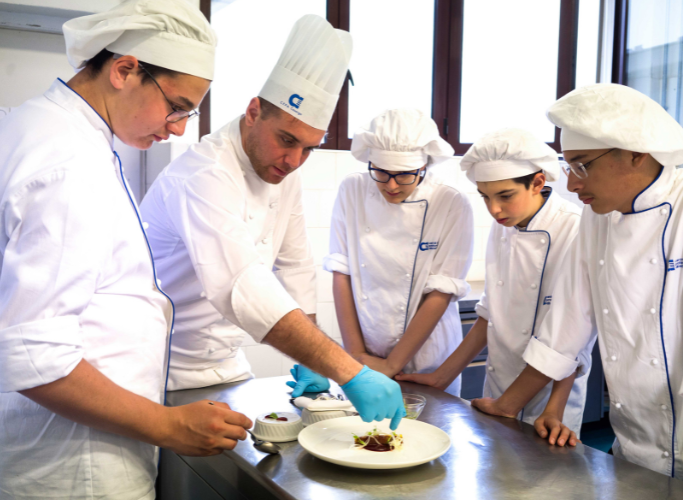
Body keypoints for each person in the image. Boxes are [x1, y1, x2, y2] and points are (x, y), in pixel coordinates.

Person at [0, 2, 255, 499]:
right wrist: (168, 426)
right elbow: (35, 358)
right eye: (177, 106)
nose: (179, 127)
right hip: (74, 470)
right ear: (124, 70)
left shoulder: (44, 129)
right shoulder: (70, 163)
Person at [139, 15, 405, 428]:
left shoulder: (282, 173)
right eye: (286, 140)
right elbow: (241, 282)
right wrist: (346, 369)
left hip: (226, 366)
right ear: (253, 111)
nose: (294, 161)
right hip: (160, 371)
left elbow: (295, 266)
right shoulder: (204, 174)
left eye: (308, 149)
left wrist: (310, 361)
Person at [473, 84, 683, 486]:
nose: (573, 185)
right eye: (569, 166)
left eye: (582, 166)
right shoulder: (598, 218)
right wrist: (506, 408)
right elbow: (567, 326)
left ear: (635, 152)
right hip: (632, 447)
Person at [398, 129, 595, 445]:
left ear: (538, 183)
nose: (494, 210)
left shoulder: (575, 229)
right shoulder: (504, 227)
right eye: (485, 197)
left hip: (551, 403)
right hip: (499, 387)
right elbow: (490, 315)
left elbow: (572, 336)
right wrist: (442, 376)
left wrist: (555, 408)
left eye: (505, 196)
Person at [319, 108, 473, 397]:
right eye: (381, 173)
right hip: (365, 346)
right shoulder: (353, 189)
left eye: (404, 176)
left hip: (426, 355)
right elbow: (342, 272)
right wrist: (355, 354)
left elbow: (441, 291)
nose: (390, 185)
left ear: (424, 166)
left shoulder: (450, 202)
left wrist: (392, 364)